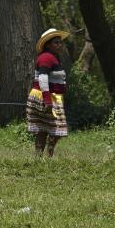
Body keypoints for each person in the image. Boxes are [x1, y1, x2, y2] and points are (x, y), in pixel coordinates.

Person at [26, 28, 70, 157]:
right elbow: (43, 78)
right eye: (55, 42)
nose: (59, 45)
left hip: (53, 97)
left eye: (60, 42)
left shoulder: (53, 58)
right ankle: (44, 155)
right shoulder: (46, 58)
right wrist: (46, 99)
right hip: (45, 96)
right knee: (53, 129)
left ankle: (44, 156)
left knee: (46, 128)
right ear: (47, 44)